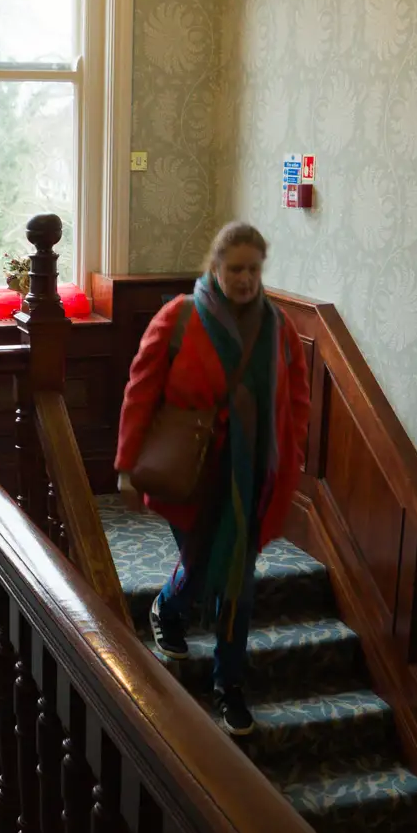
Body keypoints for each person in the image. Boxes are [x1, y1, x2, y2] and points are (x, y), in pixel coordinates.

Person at [114, 222, 311, 735]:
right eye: (235, 268)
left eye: (253, 269)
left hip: (250, 480)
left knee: (238, 582)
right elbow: (140, 389)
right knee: (201, 565)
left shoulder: (280, 328)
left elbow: (297, 400)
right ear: (215, 267)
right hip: (193, 471)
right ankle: (169, 606)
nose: (245, 278)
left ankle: (229, 685)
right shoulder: (179, 317)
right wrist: (126, 465)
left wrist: (291, 454)